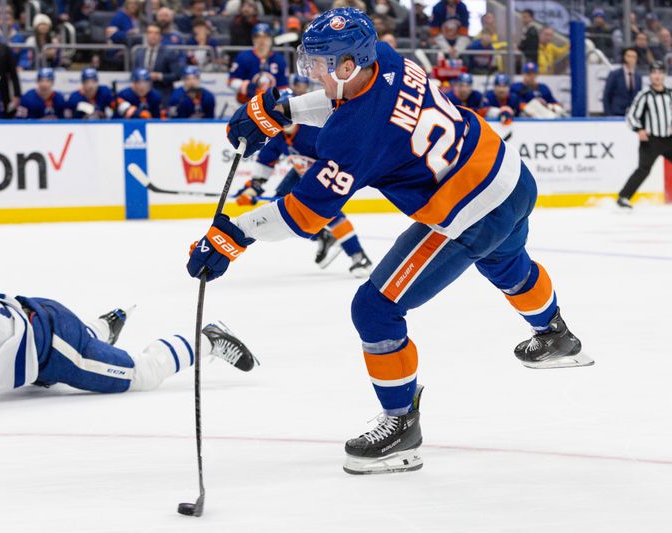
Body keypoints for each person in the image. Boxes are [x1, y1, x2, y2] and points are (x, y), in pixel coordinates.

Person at [191, 8, 592, 475]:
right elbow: (352, 104)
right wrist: (284, 112)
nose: (310, 71)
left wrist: (232, 235)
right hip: (509, 175)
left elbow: (304, 213)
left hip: (470, 209)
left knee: (375, 308)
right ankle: (555, 334)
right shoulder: (383, 57)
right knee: (506, 263)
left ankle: (401, 427)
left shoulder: (355, 137)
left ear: (346, 66)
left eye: (318, 63)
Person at [0, 267, 258, 417]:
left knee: (142, 375)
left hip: (55, 347)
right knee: (88, 343)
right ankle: (102, 327)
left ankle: (207, 339)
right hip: (38, 329)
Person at [235, 119, 374, 277]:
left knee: (326, 210)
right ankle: (322, 236)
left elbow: (338, 152)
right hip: (303, 172)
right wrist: (253, 188)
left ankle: (359, 256)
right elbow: (266, 160)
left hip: (329, 171)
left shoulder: (311, 131)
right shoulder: (278, 136)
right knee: (279, 205)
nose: (284, 121)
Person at [618, 62, 672, 211]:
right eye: (654, 72)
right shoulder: (644, 95)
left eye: (660, 72)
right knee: (644, 169)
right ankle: (623, 197)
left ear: (664, 75)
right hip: (651, 140)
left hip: (668, 139)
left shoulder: (671, 94)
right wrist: (639, 129)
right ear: (650, 76)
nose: (657, 76)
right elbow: (631, 115)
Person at [228, 23, 288, 103]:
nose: (261, 40)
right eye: (258, 37)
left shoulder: (279, 60)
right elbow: (231, 81)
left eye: (265, 36)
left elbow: (283, 86)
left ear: (271, 39)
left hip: (272, 106)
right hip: (246, 103)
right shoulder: (243, 57)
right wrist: (245, 86)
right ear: (253, 39)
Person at [133, 23, 183, 105]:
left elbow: (177, 75)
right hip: (141, 94)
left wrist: (159, 76)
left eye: (156, 33)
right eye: (150, 33)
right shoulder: (139, 53)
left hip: (162, 92)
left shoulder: (169, 53)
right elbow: (134, 72)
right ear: (146, 35)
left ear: (160, 36)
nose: (153, 36)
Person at [603, 48, 641, 117]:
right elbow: (607, 96)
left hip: (632, 115)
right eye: (629, 56)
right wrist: (608, 115)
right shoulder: (615, 74)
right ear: (624, 57)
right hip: (616, 114)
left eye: (634, 57)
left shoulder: (638, 77)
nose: (631, 59)